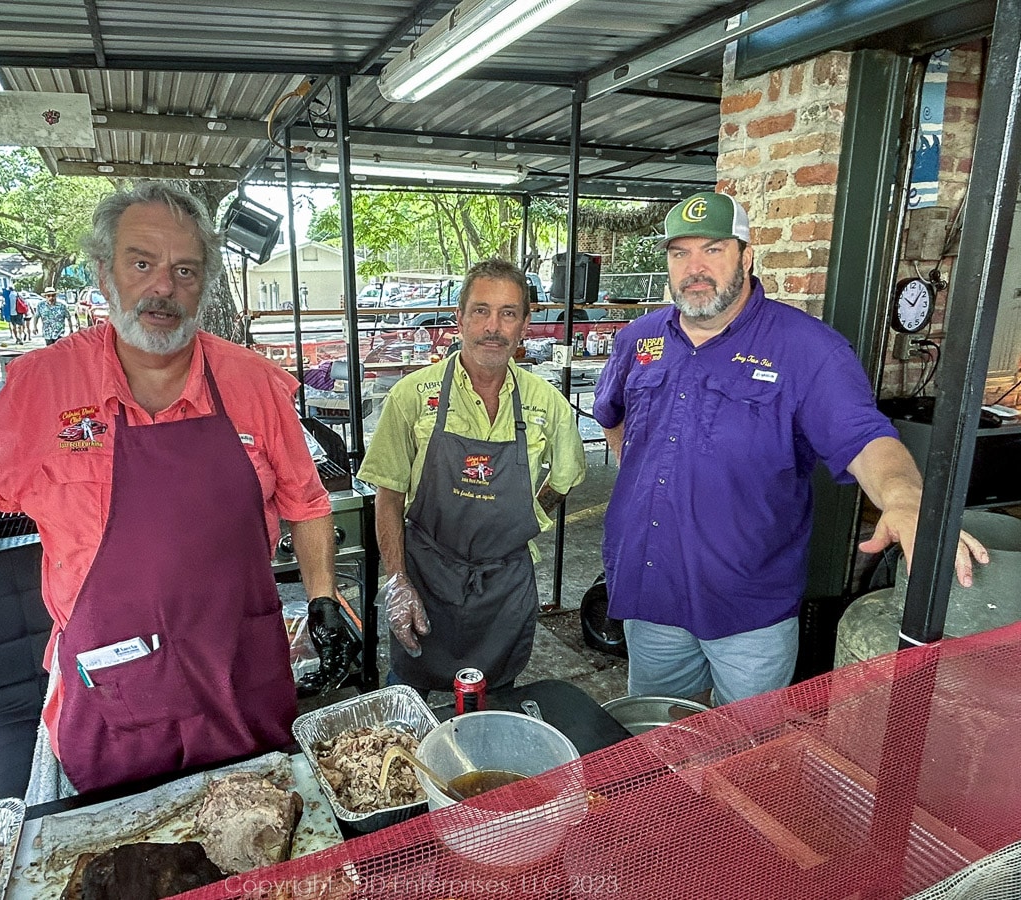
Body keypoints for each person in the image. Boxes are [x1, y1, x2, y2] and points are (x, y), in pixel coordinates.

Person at [0, 182, 344, 800]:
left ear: (204, 282)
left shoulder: (254, 383)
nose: (163, 287)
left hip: (240, 667)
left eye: (184, 269)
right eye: (141, 263)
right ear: (104, 273)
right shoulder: (47, 382)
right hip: (115, 682)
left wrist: (324, 598)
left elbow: (306, 504)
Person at [593, 191, 989, 706]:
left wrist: (904, 498)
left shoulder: (808, 349)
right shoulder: (639, 339)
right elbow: (613, 416)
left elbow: (866, 440)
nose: (694, 267)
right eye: (679, 252)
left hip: (748, 609)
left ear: (746, 256)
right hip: (652, 591)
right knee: (655, 741)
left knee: (746, 754)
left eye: (713, 249)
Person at [357, 258, 586, 693]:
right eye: (480, 310)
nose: (493, 327)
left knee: (495, 704)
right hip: (425, 576)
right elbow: (388, 497)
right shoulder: (412, 396)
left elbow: (566, 476)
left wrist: (524, 516)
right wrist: (397, 581)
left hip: (503, 584)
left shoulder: (547, 403)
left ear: (525, 323)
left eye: (508, 313)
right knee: (406, 702)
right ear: (459, 318)